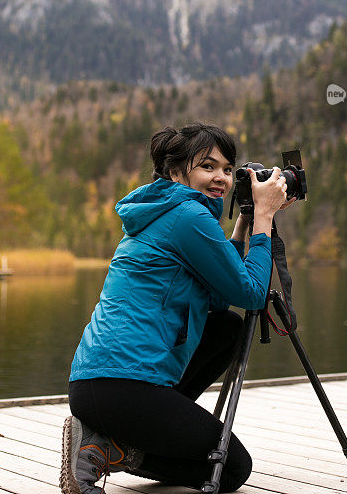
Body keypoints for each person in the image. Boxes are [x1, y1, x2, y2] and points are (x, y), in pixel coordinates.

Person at [60, 122, 294, 494]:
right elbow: (251, 294)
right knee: (232, 468)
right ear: (174, 171)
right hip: (124, 386)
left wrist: (244, 224)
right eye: (208, 166)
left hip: (98, 383)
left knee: (226, 328)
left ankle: (108, 438)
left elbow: (219, 298)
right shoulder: (189, 217)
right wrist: (264, 218)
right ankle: (109, 451)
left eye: (228, 170)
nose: (221, 177)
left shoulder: (168, 211)